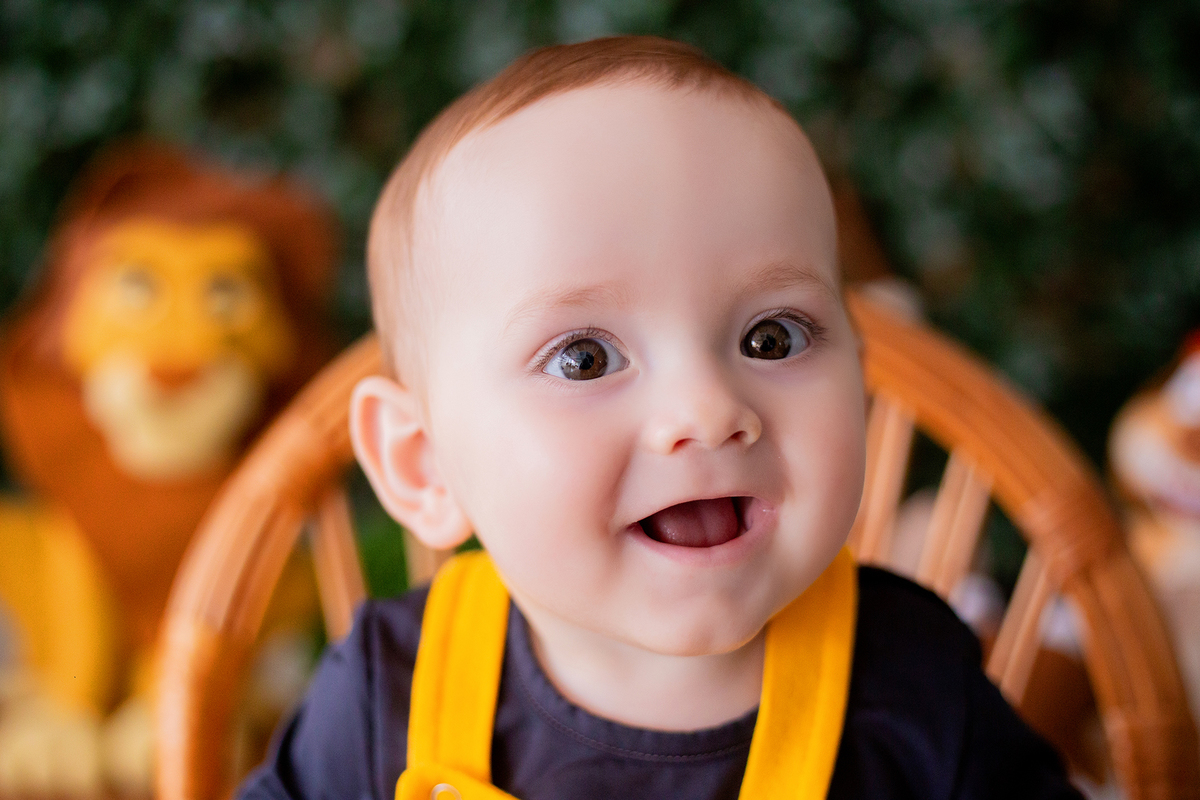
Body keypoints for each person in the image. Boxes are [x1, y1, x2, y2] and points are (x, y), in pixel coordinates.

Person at [239, 36, 1081, 800]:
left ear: (857, 384)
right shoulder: (392, 691)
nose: (709, 411)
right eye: (585, 359)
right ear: (423, 465)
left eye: (772, 336)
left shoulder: (913, 684)